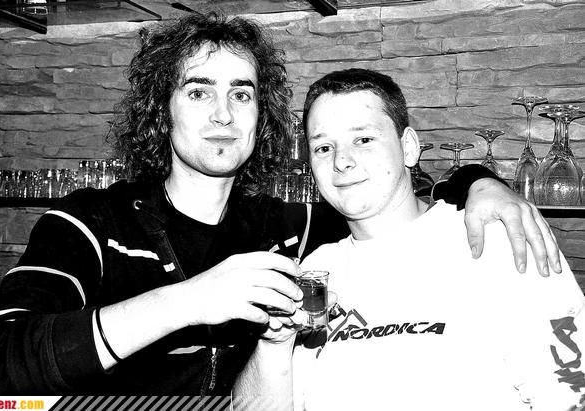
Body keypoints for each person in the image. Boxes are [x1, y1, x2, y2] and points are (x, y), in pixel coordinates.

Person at [0, 14, 560, 395]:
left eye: (241, 94)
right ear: (161, 112)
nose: (223, 114)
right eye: (198, 92)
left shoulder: (296, 228)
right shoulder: (89, 224)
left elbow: (387, 191)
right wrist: (185, 301)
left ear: (261, 116)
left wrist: (481, 182)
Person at [233, 69, 585, 410]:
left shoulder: (496, 238)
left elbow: (570, 390)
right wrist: (273, 344)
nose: (342, 161)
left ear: (409, 148)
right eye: (323, 147)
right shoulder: (316, 270)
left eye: (364, 139)